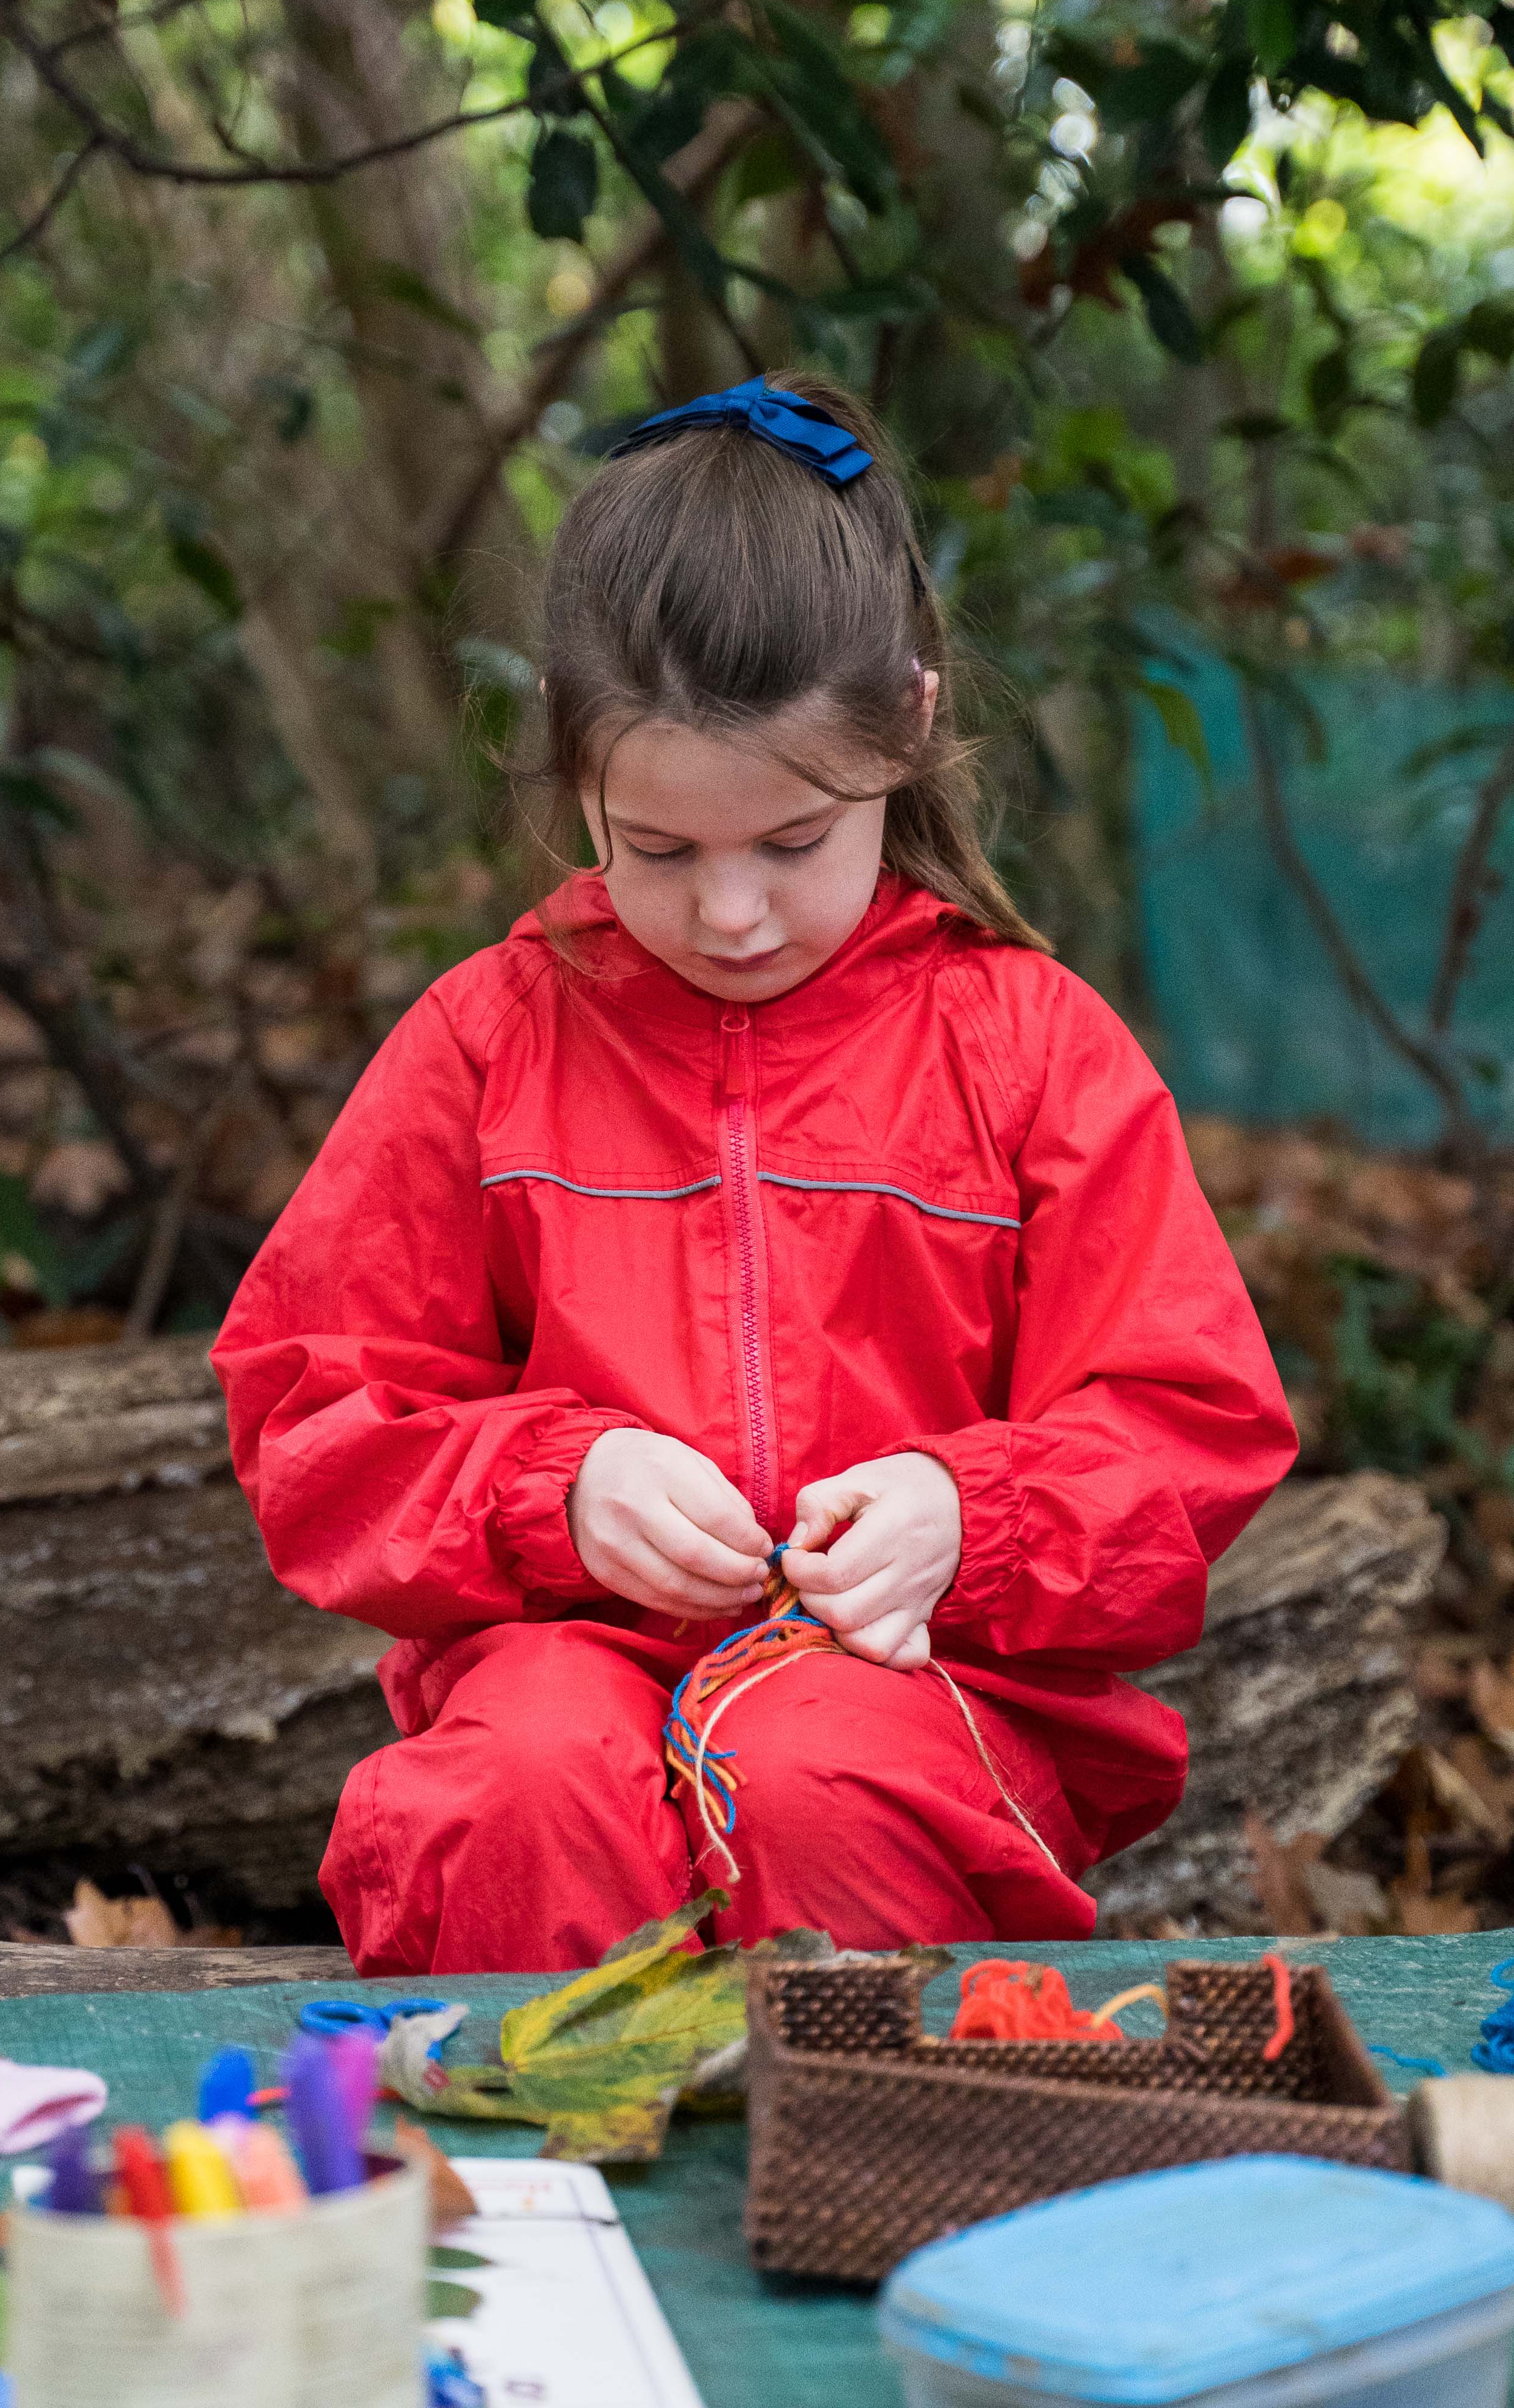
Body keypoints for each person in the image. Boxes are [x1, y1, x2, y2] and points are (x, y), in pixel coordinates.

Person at [214, 374, 1296, 1975]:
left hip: (928, 1685)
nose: (730, 913)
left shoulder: (1029, 1047)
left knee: (810, 1780)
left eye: (791, 843)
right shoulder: (487, 1042)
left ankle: (847, 2183)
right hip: (564, 1658)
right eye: (658, 851)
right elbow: (313, 1406)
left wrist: (963, 1514)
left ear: (907, 731)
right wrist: (552, 1494)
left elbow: (1187, 1421)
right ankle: (545, 2192)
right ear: (573, 780)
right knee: (518, 1794)